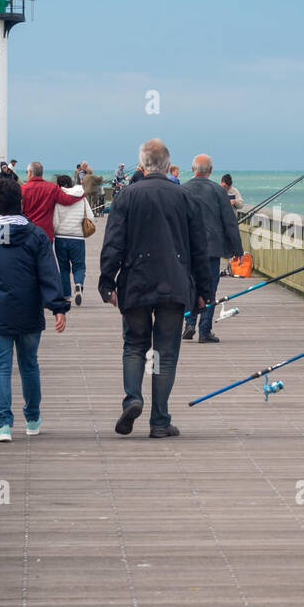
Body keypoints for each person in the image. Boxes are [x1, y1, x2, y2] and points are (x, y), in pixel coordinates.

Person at [99, 138, 214, 438]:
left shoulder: (125, 197)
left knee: (134, 345)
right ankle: (160, 421)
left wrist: (106, 282)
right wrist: (205, 291)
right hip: (174, 284)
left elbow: (113, 243)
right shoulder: (185, 197)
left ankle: (133, 397)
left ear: (142, 165)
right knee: (165, 352)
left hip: (135, 282)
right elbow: (200, 249)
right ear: (167, 164)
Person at [0, 178, 69, 441]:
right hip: (29, 310)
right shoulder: (35, 235)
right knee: (29, 364)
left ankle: (4, 425)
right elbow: (49, 273)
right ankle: (32, 418)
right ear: (20, 203)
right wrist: (57, 307)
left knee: (1, 367)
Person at [182, 154, 244, 343]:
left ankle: (189, 322)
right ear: (210, 170)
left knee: (189, 285)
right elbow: (230, 223)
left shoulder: (181, 190)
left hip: (188, 248)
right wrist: (237, 251)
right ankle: (205, 330)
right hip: (211, 248)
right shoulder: (218, 191)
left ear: (193, 169)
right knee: (209, 289)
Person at [52, 173, 90, 306]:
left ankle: (67, 296)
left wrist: (55, 232)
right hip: (77, 237)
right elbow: (90, 217)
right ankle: (79, 285)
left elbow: (55, 221)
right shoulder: (81, 197)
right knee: (79, 266)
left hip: (61, 237)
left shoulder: (57, 199)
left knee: (63, 268)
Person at [20, 161, 81, 241]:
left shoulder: (22, 189)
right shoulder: (52, 188)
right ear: (41, 173)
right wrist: (81, 194)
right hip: (46, 233)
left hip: (28, 232)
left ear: (30, 173)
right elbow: (66, 200)